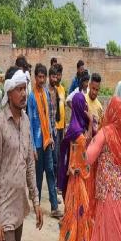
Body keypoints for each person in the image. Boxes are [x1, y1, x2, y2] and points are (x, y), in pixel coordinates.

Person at [0, 67, 43, 241]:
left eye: (24, 88)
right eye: (18, 89)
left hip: (19, 207)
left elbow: (29, 165)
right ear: (9, 93)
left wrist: (35, 200)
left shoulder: (26, 121)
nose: (23, 93)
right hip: (3, 211)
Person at [86, 96, 121, 241]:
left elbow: (88, 158)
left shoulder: (106, 132)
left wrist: (87, 141)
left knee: (112, 236)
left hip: (109, 194)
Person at [27, 63, 63, 218]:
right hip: (36, 142)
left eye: (43, 77)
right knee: (38, 175)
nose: (42, 80)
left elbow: (48, 117)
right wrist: (32, 147)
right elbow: (29, 122)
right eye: (39, 77)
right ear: (35, 77)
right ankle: (38, 207)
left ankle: (54, 207)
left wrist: (52, 137)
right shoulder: (31, 97)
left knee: (50, 172)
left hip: (48, 140)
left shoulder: (47, 94)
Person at [58, 93, 92, 241]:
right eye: (83, 104)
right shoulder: (79, 134)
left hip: (71, 180)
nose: (85, 106)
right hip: (78, 181)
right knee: (81, 213)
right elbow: (87, 155)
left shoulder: (72, 127)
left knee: (72, 213)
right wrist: (91, 123)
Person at [47, 65, 59, 180]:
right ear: (49, 77)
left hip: (54, 129)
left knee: (55, 158)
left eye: (56, 77)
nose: (55, 79)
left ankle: (54, 183)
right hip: (46, 131)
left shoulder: (56, 91)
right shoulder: (45, 92)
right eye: (53, 77)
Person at [55, 63, 66, 192]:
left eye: (60, 74)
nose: (59, 77)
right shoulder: (52, 90)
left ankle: (58, 183)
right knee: (56, 156)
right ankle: (56, 184)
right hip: (54, 126)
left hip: (61, 126)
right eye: (57, 74)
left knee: (60, 155)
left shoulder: (62, 89)